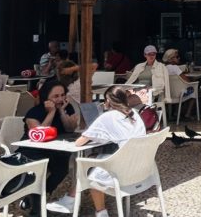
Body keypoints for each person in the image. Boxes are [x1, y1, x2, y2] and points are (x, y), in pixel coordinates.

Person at [46, 85, 146, 217]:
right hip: (141, 168)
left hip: (122, 173)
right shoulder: (135, 114)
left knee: (88, 168)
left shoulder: (108, 116)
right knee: (93, 158)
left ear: (108, 101)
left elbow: (79, 142)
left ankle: (94, 210)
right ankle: (73, 199)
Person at [21, 80, 80, 210]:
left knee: (61, 170)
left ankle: (41, 194)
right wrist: (51, 112)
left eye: (62, 95)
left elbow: (70, 129)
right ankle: (36, 205)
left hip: (57, 148)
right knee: (38, 171)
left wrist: (62, 112)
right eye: (56, 96)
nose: (60, 99)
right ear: (46, 97)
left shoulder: (66, 107)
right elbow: (39, 134)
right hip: (34, 149)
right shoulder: (34, 112)